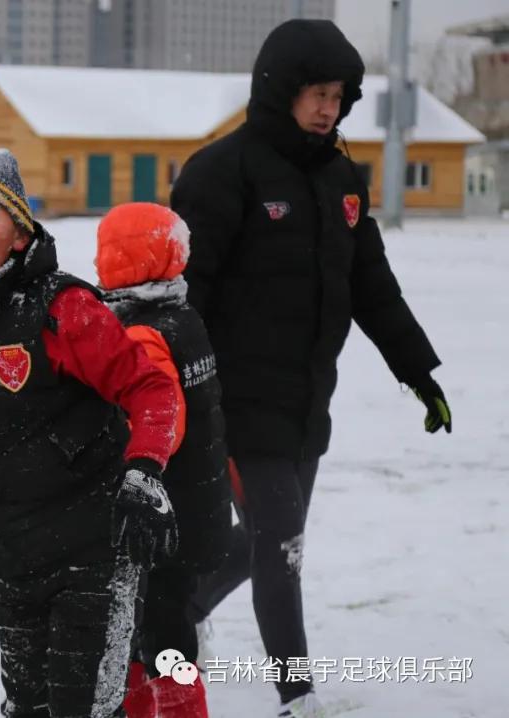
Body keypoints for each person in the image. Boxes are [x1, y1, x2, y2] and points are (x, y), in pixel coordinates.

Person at [169, 19, 451, 718]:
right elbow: (185, 296)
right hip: (232, 403)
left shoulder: (339, 179)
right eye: (314, 93)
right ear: (278, 91)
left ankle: (177, 610)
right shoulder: (221, 173)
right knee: (281, 547)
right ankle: (298, 697)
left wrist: (417, 370)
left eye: (337, 94)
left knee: (265, 541)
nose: (328, 107)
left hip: (304, 402)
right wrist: (177, 390)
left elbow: (372, 286)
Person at [0, 149, 181, 718]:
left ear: (19, 234)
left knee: (85, 708)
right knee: (27, 707)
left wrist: (145, 472)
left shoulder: (62, 309)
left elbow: (151, 389)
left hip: (95, 543)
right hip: (8, 554)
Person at [96, 203, 231, 718]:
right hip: (197, 506)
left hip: (161, 521)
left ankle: (174, 709)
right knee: (155, 629)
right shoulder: (181, 315)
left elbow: (162, 427)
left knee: (153, 635)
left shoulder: (139, 334)